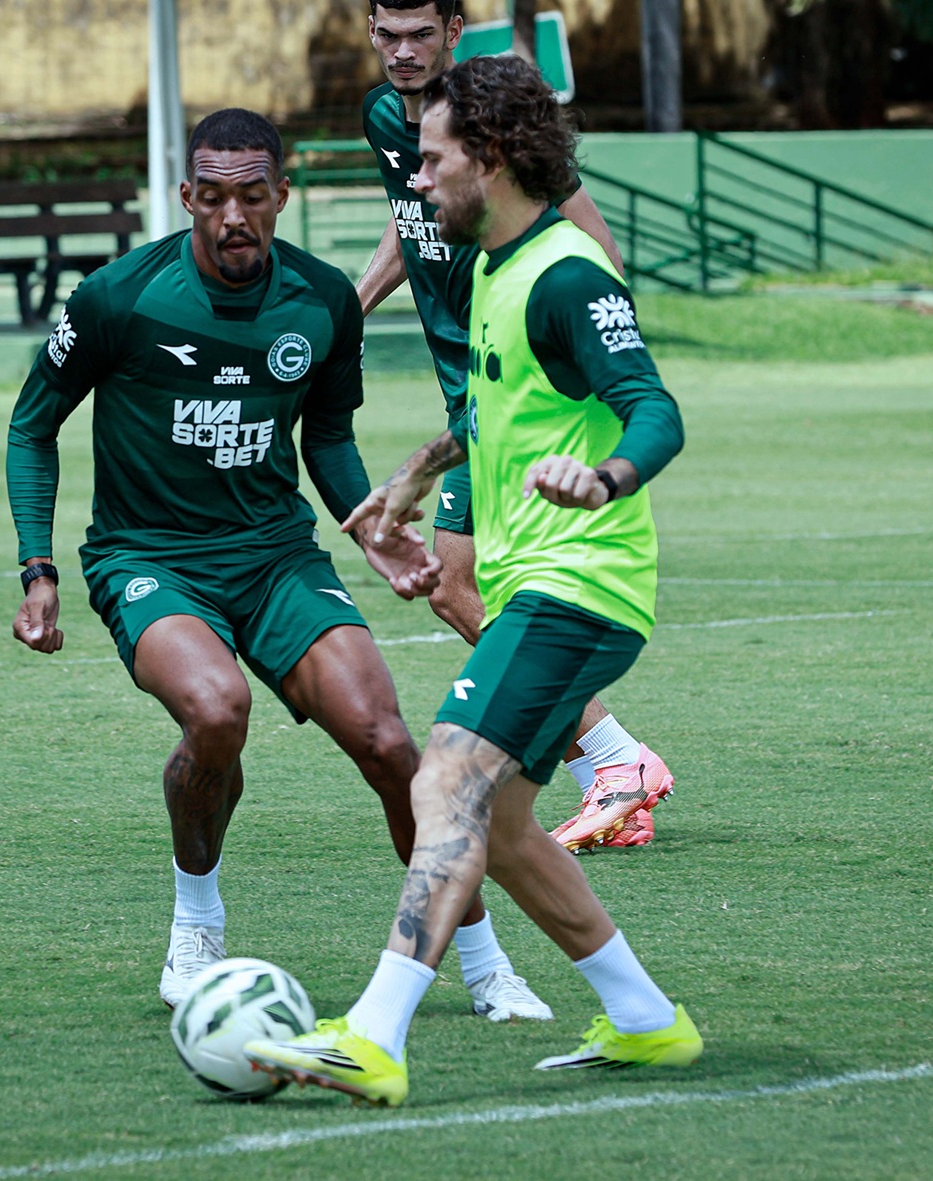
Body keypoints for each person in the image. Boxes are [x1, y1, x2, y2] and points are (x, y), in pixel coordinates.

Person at [5, 107, 551, 1022]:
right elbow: (32, 426)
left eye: (252, 197)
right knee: (218, 710)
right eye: (212, 198)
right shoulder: (119, 297)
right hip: (151, 560)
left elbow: (327, 437)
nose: (232, 218)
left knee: (388, 744)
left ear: (281, 197)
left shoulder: (325, 299)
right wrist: (38, 568)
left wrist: (369, 525)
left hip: (275, 559)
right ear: (185, 197)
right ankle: (196, 919)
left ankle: (486, 962)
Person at [246, 57, 699, 1108]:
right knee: (497, 825)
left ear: (488, 159)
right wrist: (412, 478)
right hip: (540, 580)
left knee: (444, 778)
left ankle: (372, 1034)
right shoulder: (492, 268)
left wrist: (607, 473)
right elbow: (497, 408)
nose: (418, 177)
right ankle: (644, 1019)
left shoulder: (567, 272)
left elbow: (653, 404)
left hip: (580, 585)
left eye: (434, 159)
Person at [358, 0, 674, 852]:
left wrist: (580, 357)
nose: (403, 52)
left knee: (462, 586)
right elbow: (413, 212)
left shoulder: (491, 118)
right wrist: (351, 308)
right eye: (387, 34)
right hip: (468, 396)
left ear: (456, 31)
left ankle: (608, 763)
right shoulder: (387, 118)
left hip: (520, 393)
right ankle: (606, 766)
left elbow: (593, 250)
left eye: (422, 33)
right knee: (460, 587)